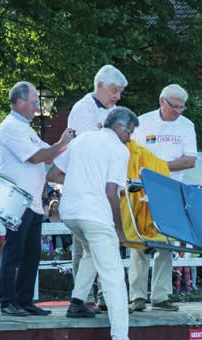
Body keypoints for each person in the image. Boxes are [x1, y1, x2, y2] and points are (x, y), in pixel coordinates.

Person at [57, 107, 149, 340]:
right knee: (114, 276)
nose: (130, 138)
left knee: (89, 252)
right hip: (95, 214)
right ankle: (121, 339)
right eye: (130, 132)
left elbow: (54, 173)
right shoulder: (119, 150)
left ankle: (76, 303)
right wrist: (120, 230)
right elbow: (112, 192)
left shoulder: (83, 138)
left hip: (70, 212)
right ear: (119, 128)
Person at [0, 82, 74, 317]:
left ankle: (24, 300)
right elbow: (37, 156)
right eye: (34, 102)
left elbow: (49, 151)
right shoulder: (10, 127)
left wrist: (64, 145)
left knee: (31, 254)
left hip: (33, 202)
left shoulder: (26, 128)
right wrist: (63, 143)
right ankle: (7, 301)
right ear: (19, 102)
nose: (37, 107)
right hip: (18, 200)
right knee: (14, 252)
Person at [62, 65, 128, 311]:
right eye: (114, 91)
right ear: (99, 85)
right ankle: (86, 296)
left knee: (101, 247)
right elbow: (83, 149)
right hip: (86, 189)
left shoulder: (113, 111)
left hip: (103, 187)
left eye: (120, 92)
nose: (117, 97)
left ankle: (100, 296)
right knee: (85, 247)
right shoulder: (82, 110)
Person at [129, 84, 198, 312]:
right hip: (142, 189)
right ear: (162, 101)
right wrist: (152, 172)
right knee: (139, 243)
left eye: (181, 107)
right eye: (174, 106)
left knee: (167, 242)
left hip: (171, 190)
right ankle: (137, 296)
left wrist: (156, 168)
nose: (178, 111)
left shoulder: (187, 126)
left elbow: (190, 160)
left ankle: (160, 295)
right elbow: (133, 155)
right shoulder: (142, 122)